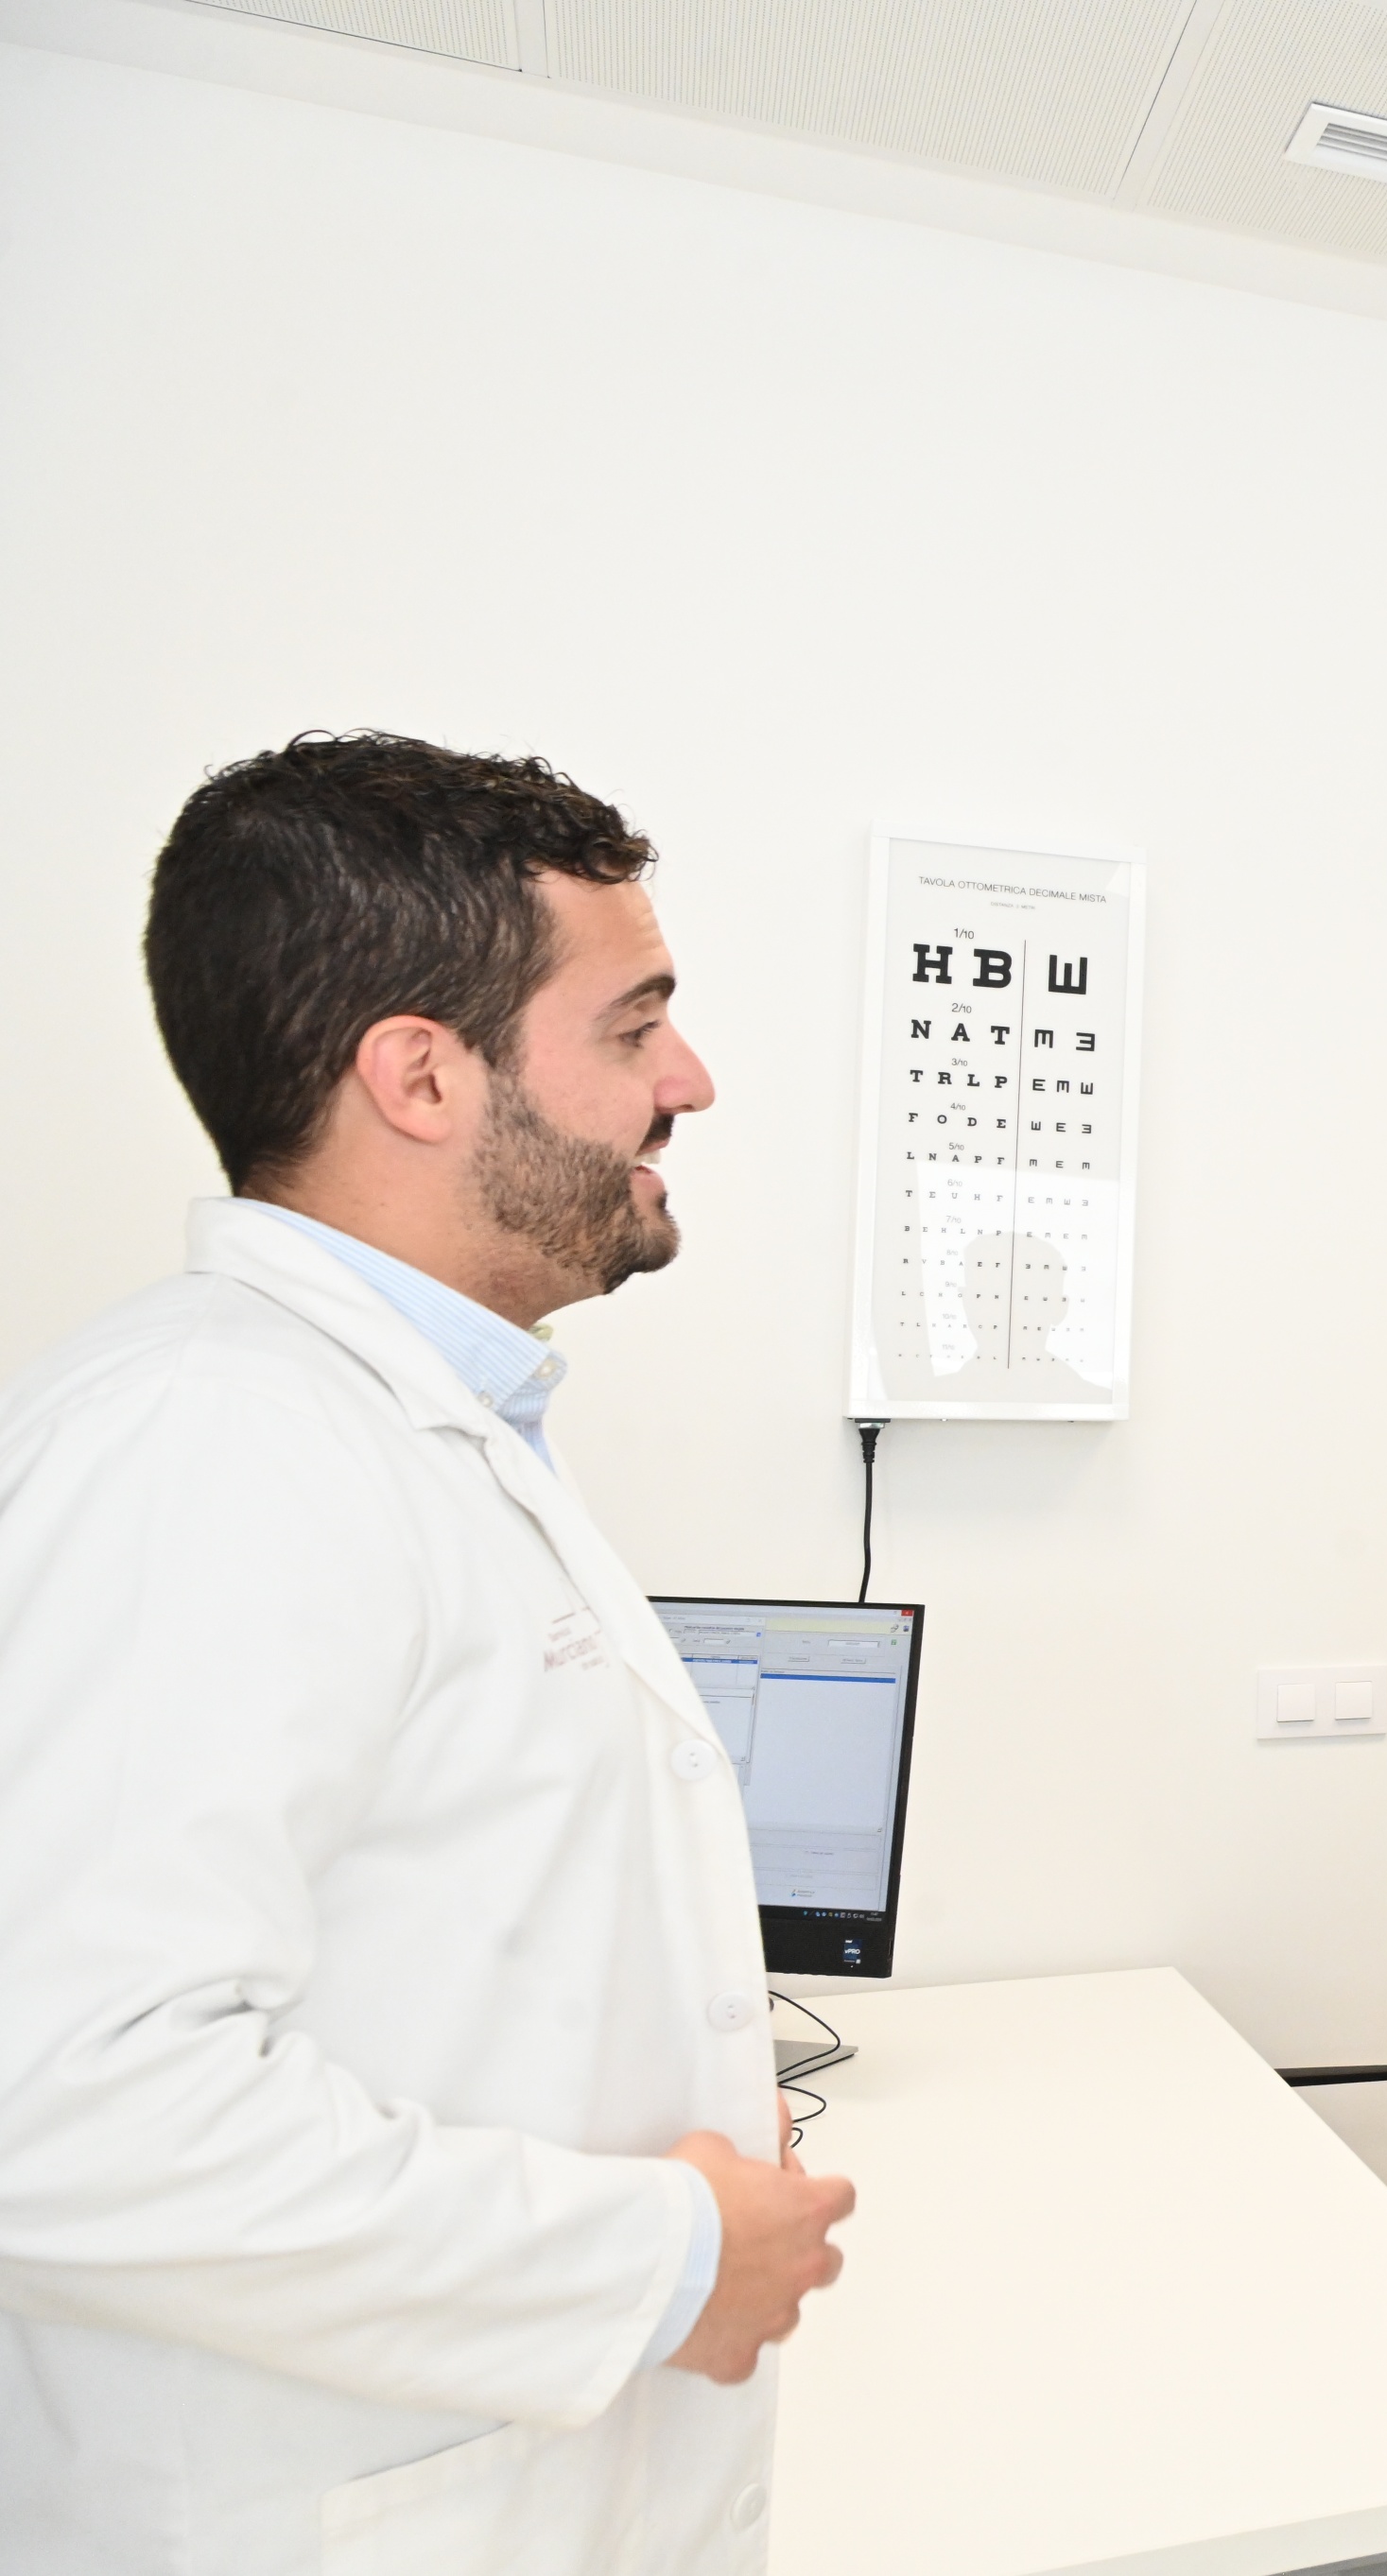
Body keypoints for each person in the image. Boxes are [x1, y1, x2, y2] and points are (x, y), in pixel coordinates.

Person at [0, 735, 856, 2574]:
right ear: (418, 1072)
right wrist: (667, 2258)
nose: (687, 1079)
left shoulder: (394, 1424)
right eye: (634, 1026)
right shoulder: (209, 1445)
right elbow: (65, 2105)